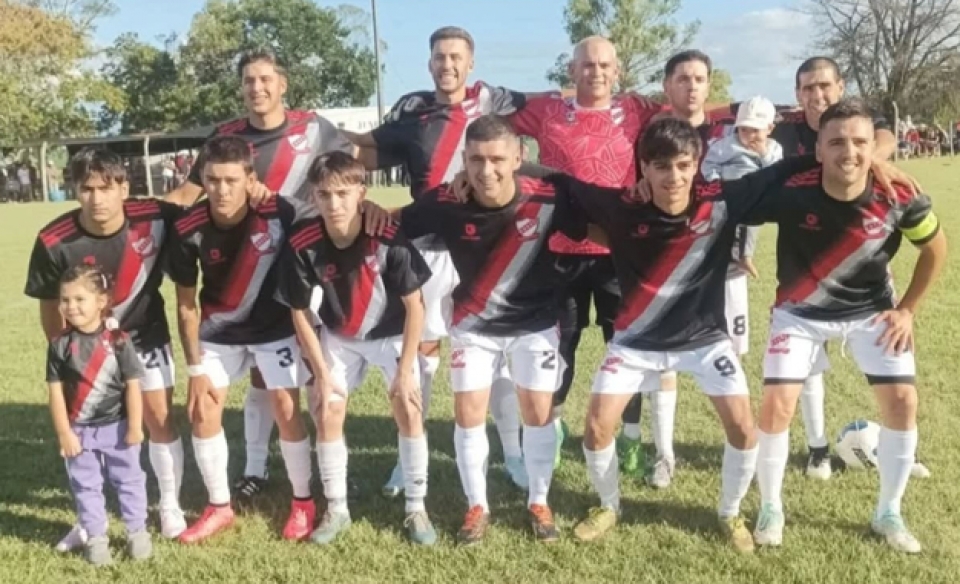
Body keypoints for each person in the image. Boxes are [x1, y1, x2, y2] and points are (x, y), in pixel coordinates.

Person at [529, 118, 819, 552]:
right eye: (661, 166)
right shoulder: (620, 205)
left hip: (705, 341)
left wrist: (869, 158)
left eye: (684, 165)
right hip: (634, 341)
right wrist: (509, 164)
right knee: (596, 427)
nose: (674, 177)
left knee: (744, 428)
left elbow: (781, 170)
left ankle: (730, 512)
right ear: (643, 167)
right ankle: (608, 505)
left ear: (697, 164)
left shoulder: (721, 199)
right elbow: (561, 182)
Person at [750, 99, 946, 553]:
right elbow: (728, 209)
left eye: (860, 142)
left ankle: (888, 512)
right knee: (777, 405)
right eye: (837, 142)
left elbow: (935, 249)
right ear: (818, 149)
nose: (850, 152)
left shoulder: (899, 194)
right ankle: (771, 507)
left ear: (874, 147)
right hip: (799, 314)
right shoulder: (790, 191)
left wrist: (907, 310)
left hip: (871, 312)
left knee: (903, 401)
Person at [165, 47, 359, 504]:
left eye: (265, 79)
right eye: (249, 80)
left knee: (308, 379)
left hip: (302, 268)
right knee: (263, 377)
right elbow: (188, 194)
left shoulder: (314, 129)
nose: (257, 87)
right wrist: (132, 214)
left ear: (282, 84)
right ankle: (256, 468)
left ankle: (326, 473)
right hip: (245, 268)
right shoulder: (225, 136)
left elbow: (349, 167)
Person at [345, 26, 530, 496]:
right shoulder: (413, 109)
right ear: (429, 63)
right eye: (439, 57)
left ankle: (514, 455)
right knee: (422, 353)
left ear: (471, 63)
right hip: (426, 247)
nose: (447, 65)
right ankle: (410, 454)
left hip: (484, 246)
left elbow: (548, 113)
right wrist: (322, 140)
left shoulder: (493, 101)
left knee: (500, 353)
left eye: (455, 57)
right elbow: (363, 151)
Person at [398, 115, 570, 545]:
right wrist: (365, 210)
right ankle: (478, 506)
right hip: (473, 325)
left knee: (538, 412)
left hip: (534, 324)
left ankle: (539, 501)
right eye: (476, 160)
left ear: (518, 158)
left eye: (497, 159)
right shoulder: (447, 199)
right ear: (464, 159)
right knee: (468, 412)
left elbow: (611, 212)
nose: (486, 170)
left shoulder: (552, 196)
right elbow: (395, 225)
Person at [507, 36, 666, 474]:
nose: (596, 72)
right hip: (559, 249)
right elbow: (485, 114)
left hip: (619, 250)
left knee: (626, 347)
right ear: (572, 70)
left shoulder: (637, 109)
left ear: (617, 71)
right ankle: (553, 429)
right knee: (561, 345)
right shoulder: (547, 110)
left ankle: (629, 436)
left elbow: (690, 114)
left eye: (604, 65)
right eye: (587, 65)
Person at [25, 149, 187, 550]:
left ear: (124, 188)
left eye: (106, 187)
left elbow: (193, 198)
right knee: (83, 432)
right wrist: (68, 359)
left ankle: (169, 505)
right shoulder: (53, 240)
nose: (97, 198)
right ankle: (88, 521)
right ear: (75, 191)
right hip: (86, 350)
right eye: (87, 189)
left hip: (144, 335)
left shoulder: (155, 216)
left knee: (159, 416)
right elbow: (50, 308)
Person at [279, 152, 436, 545]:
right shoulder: (302, 242)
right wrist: (321, 372)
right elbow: (299, 312)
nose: (334, 203)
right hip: (339, 336)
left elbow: (416, 306)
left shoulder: (386, 235)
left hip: (391, 334)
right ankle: (337, 509)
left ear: (362, 193)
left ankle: (416, 507)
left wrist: (405, 372)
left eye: (344, 194)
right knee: (326, 409)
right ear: (313, 196)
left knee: (409, 406)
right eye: (324, 194)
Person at [758, 56, 901, 480]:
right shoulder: (787, 133)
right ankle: (817, 447)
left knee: (894, 371)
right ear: (797, 94)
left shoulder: (858, 123)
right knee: (805, 367)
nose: (817, 95)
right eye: (808, 88)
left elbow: (884, 136)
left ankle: (901, 449)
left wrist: (874, 157)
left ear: (840, 87)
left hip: (865, 272)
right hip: (805, 271)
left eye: (824, 86)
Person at [166, 136, 314, 544]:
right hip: (220, 332)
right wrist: (195, 369)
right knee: (202, 408)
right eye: (212, 180)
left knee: (286, 407)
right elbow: (185, 306)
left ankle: (303, 502)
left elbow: (332, 214)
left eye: (232, 180)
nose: (221, 190)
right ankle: (219, 506)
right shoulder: (188, 228)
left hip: (274, 329)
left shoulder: (279, 210)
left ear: (250, 180)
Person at [46, 264, 150, 566]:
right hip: (79, 431)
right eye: (65, 300)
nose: (71, 307)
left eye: (80, 299)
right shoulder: (60, 344)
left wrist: (135, 426)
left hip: (118, 428)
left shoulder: (118, 340)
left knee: (129, 480)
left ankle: (137, 532)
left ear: (101, 301)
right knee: (85, 485)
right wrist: (64, 433)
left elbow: (133, 386)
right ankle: (95, 537)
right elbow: (55, 393)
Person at [702, 95, 783, 356]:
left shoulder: (773, 149)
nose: (749, 136)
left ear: (769, 129)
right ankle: (732, 254)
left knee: (751, 225)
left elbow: (778, 173)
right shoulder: (726, 146)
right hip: (729, 194)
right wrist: (718, 183)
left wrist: (762, 154)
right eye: (744, 129)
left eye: (756, 130)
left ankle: (745, 256)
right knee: (726, 226)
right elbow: (708, 165)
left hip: (757, 198)